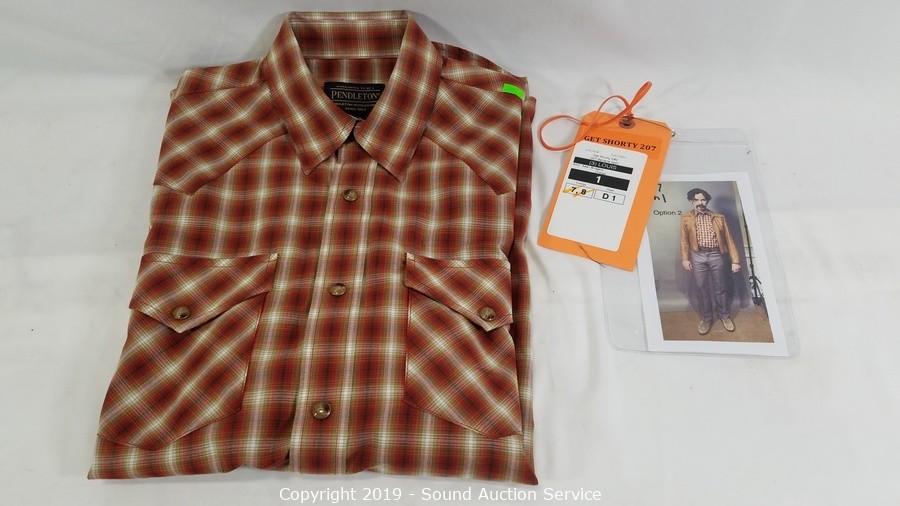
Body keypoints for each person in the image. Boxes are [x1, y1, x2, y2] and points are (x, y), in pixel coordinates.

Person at [679, 188, 742, 335]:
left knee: (720, 287)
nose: (700, 202)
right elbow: (684, 241)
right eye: (696, 200)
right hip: (697, 256)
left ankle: (724, 316)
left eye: (703, 199)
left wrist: (735, 261)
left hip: (716, 255)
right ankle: (707, 318)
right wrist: (685, 259)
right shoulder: (686, 218)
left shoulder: (719, 218)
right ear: (692, 201)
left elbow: (729, 240)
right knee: (701, 288)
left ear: (707, 201)